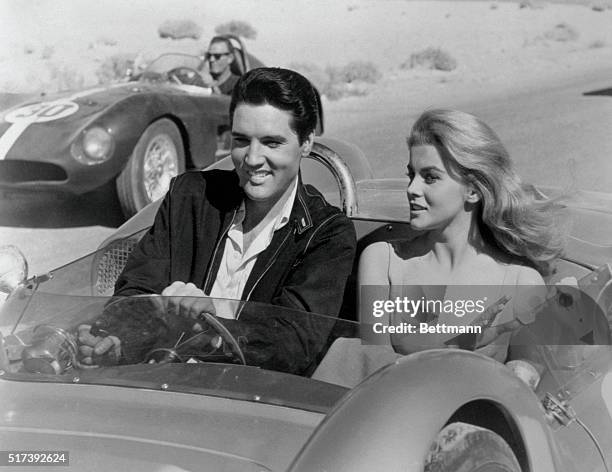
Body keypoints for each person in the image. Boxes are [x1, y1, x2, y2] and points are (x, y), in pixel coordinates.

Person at [78, 68, 357, 374]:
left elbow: (293, 343)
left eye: (271, 143)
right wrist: (118, 339)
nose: (252, 158)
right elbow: (137, 289)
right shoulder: (190, 196)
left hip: (250, 399)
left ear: (305, 143)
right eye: (241, 140)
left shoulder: (327, 234)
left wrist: (215, 325)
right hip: (161, 378)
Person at [313, 108, 566, 387]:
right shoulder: (383, 260)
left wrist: (524, 369)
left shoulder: (521, 281)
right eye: (411, 175)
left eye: (430, 177)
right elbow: (371, 367)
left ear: (473, 190)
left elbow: (526, 376)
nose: (411, 188)